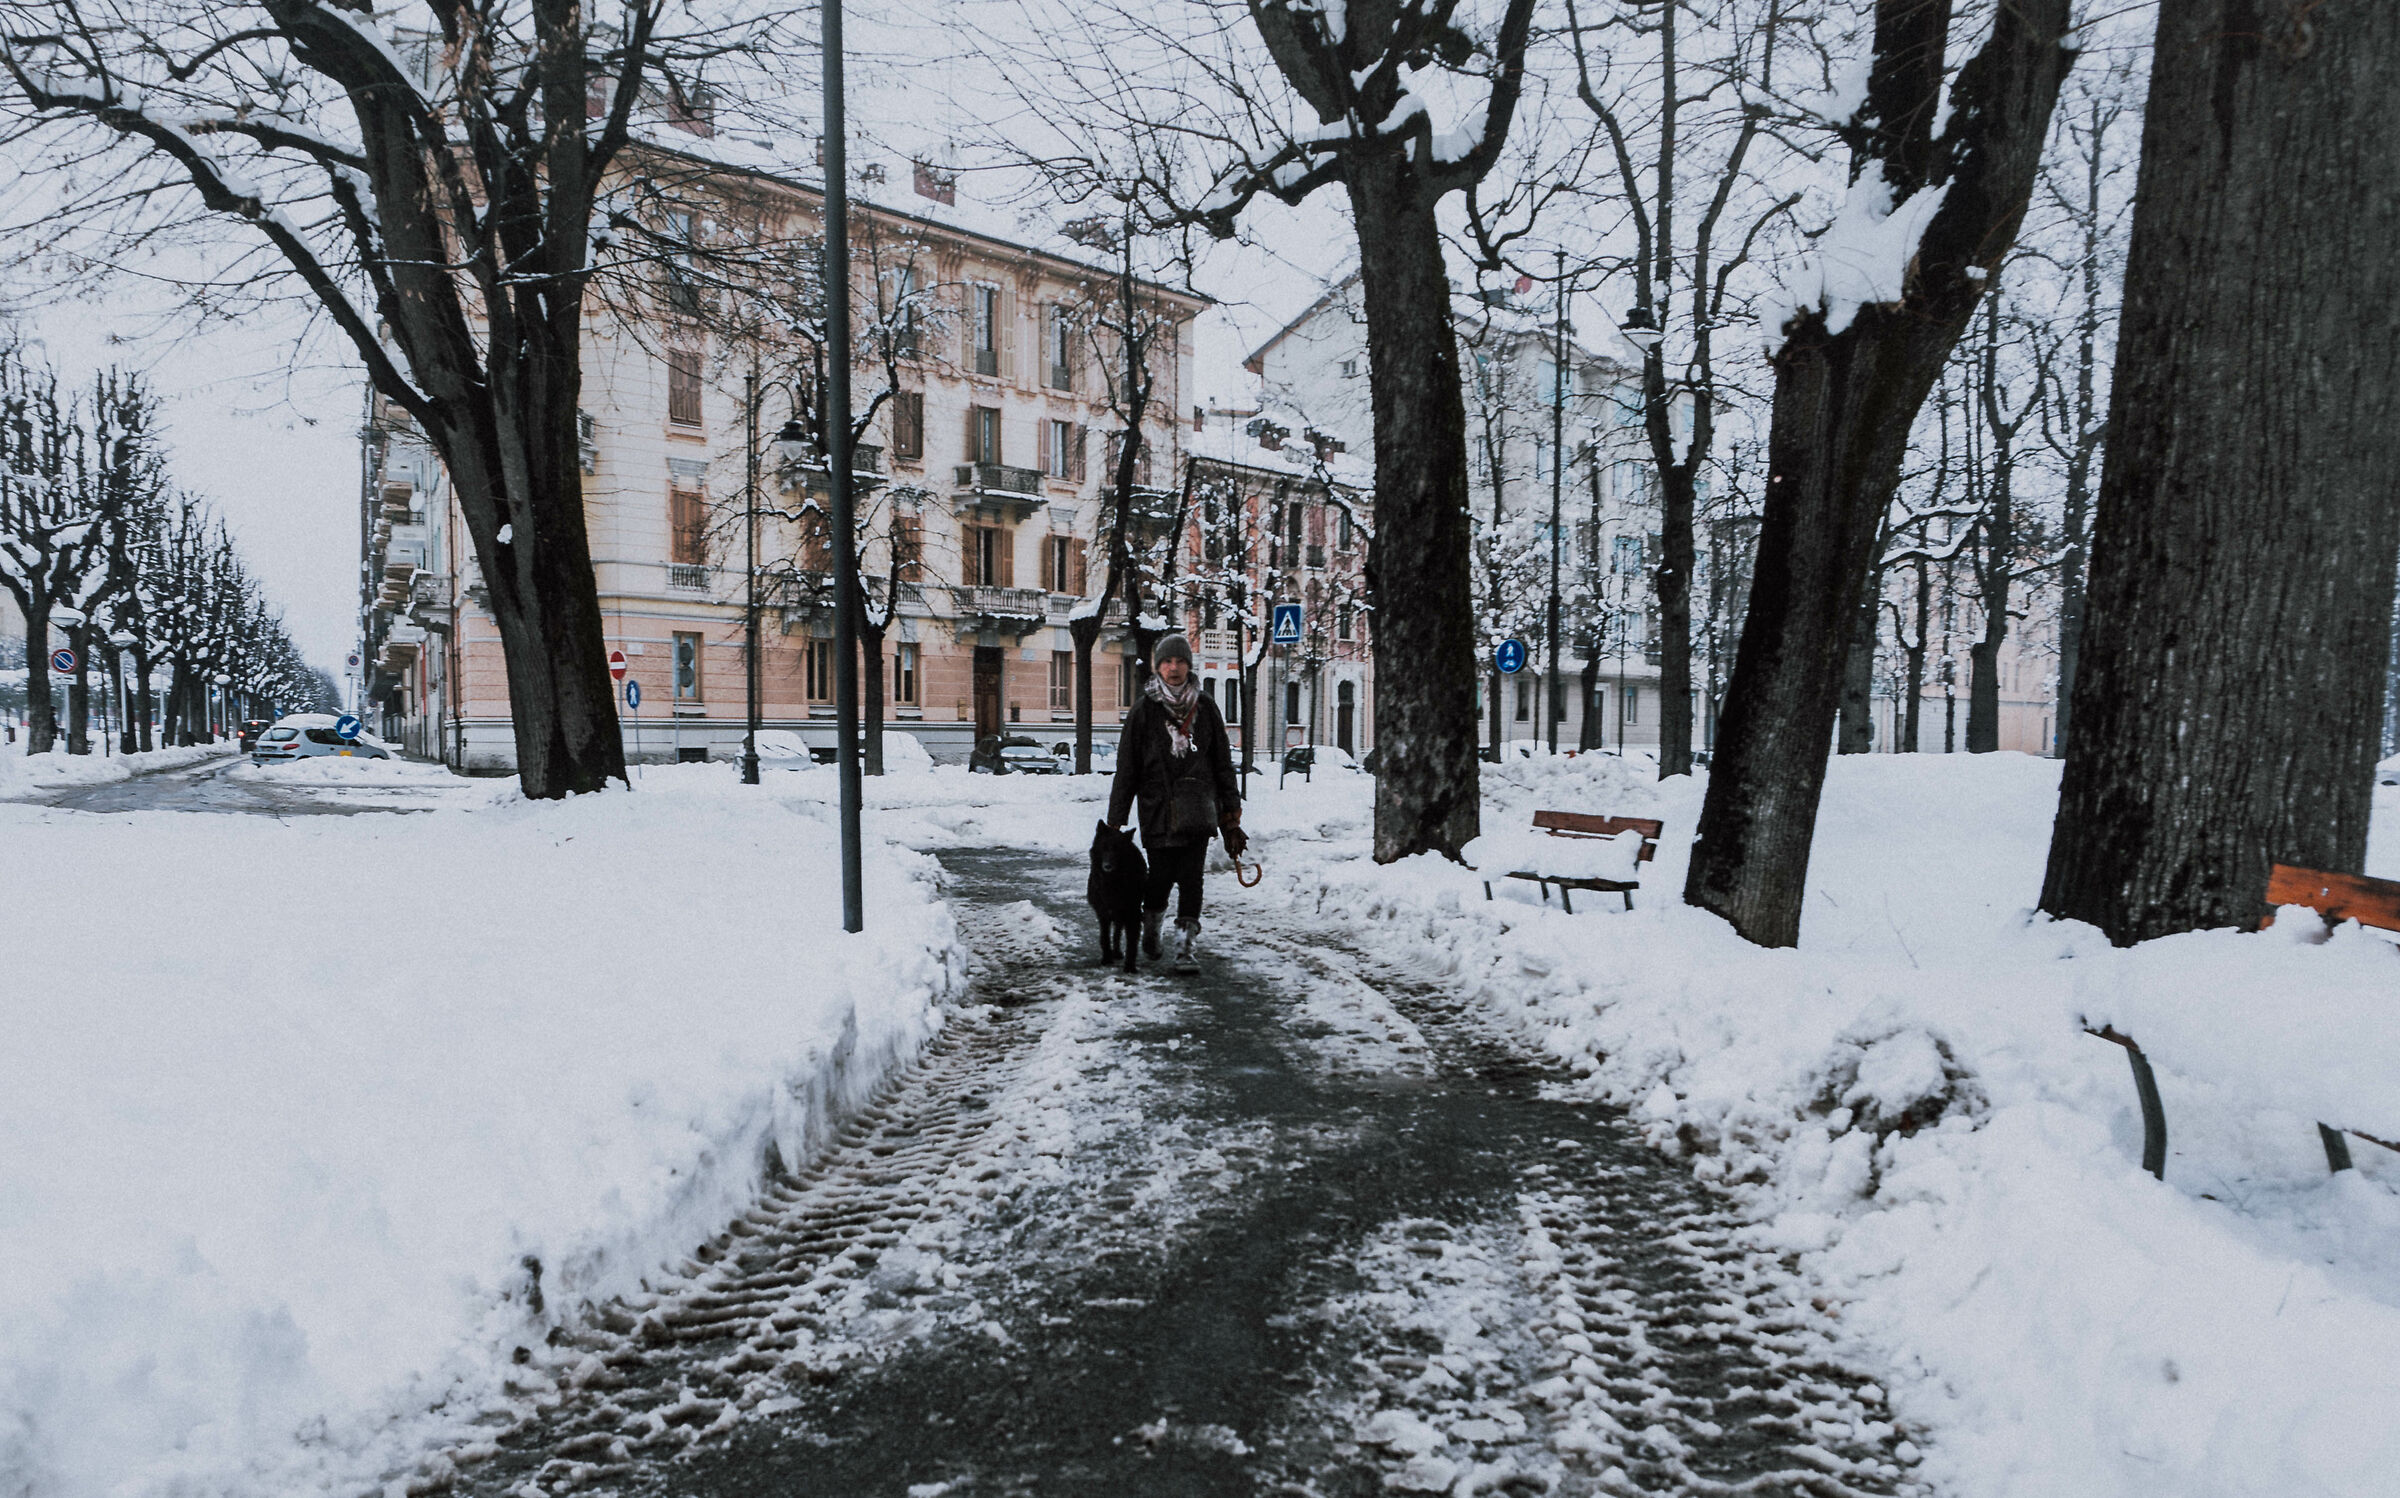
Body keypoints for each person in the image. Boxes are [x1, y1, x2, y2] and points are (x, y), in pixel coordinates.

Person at [1107, 633, 1246, 971]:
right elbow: (1127, 768)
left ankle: (1185, 948)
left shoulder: (1207, 707)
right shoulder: (1143, 711)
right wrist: (1116, 820)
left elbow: (1222, 763)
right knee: (1160, 878)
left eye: (1180, 661)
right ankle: (1151, 928)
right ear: (1158, 667)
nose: (1174, 668)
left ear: (1189, 666)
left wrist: (1230, 813)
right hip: (1156, 810)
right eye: (1167, 662)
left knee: (1192, 878)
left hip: (1198, 808)